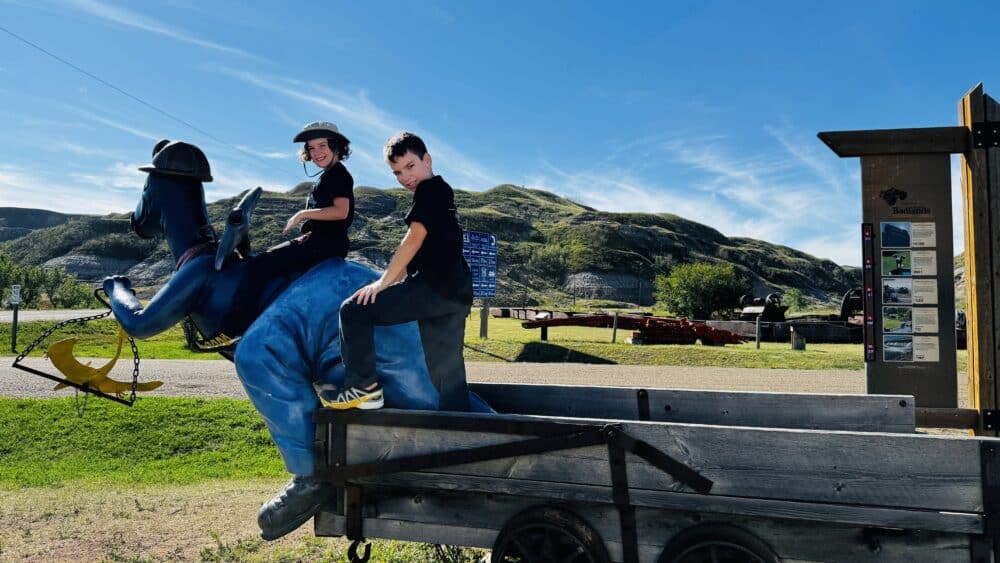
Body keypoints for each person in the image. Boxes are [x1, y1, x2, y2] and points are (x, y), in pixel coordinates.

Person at [324, 132, 473, 411]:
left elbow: (413, 239)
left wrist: (381, 283)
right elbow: (422, 252)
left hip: (436, 288)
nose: (405, 177)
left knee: (354, 310)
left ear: (427, 160)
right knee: (446, 372)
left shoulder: (431, 190)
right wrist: (394, 282)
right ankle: (464, 430)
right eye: (396, 173)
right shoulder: (441, 193)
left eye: (410, 166)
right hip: (455, 294)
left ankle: (363, 388)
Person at [225, 121, 355, 332]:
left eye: (322, 145)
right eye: (311, 148)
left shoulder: (338, 174)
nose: (316, 152)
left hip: (323, 244)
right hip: (322, 242)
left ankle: (238, 327)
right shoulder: (329, 176)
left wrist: (302, 214)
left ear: (336, 146)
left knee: (259, 265)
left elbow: (341, 211)